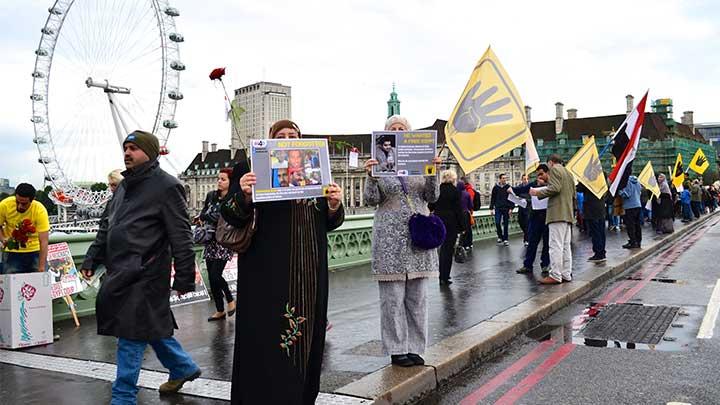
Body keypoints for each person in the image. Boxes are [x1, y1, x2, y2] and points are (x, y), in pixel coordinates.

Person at [80, 130, 201, 403]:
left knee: (131, 335)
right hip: (121, 270)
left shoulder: (167, 186)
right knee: (147, 327)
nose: (127, 153)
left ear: (150, 151)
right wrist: (92, 257)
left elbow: (181, 236)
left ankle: (123, 397)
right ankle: (183, 367)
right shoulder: (123, 186)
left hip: (147, 274)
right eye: (125, 148)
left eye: (134, 148)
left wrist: (184, 278)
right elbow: (106, 226)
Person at [231, 120, 345, 404]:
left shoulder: (316, 175)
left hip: (309, 270)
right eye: (279, 136)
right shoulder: (252, 170)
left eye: (292, 136)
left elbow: (327, 222)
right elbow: (232, 216)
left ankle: (302, 396)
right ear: (270, 141)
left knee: (307, 336)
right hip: (266, 271)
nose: (286, 139)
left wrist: (333, 205)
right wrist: (244, 195)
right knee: (266, 336)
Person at [364, 115, 441, 368]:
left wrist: (434, 172)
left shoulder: (419, 160)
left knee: (417, 298)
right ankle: (397, 349)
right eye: (392, 129)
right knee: (392, 298)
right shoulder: (380, 162)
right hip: (389, 238)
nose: (397, 132)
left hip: (418, 236)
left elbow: (432, 196)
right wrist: (371, 176)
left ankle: (415, 347)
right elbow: (371, 200)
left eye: (402, 129)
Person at [197, 168, 236, 322]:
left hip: (224, 240)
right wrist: (206, 215)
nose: (219, 181)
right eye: (218, 179)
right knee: (213, 279)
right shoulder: (211, 195)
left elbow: (220, 216)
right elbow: (206, 213)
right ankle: (220, 310)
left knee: (215, 274)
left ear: (230, 182)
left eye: (223, 179)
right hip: (210, 239)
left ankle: (230, 300)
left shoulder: (232, 199)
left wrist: (208, 215)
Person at [530, 154, 575, 284]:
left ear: (550, 162)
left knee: (555, 245)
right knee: (566, 246)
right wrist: (547, 182)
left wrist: (537, 192)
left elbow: (555, 189)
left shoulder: (555, 169)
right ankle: (566, 273)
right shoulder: (568, 172)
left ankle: (555, 274)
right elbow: (569, 192)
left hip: (557, 213)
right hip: (567, 213)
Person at [0, 183, 50, 274]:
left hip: (35, 251)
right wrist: (3, 239)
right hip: (12, 253)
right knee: (10, 286)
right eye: (17, 202)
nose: (19, 206)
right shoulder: (5, 205)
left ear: (32, 200)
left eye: (24, 204)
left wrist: (41, 267)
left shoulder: (39, 210)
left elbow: (44, 241)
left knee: (38, 285)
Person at [510, 164, 550, 274]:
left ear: (547, 173)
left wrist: (544, 185)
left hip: (547, 216)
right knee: (532, 241)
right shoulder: (533, 184)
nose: (539, 176)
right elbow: (521, 189)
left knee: (546, 243)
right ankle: (527, 265)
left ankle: (545, 264)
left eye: (541, 174)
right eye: (537, 174)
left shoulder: (551, 184)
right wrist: (511, 189)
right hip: (535, 216)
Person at [430, 170, 465, 285]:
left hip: (438, 221)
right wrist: (462, 226)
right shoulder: (455, 191)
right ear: (453, 179)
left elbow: (430, 205)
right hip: (451, 222)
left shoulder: (437, 190)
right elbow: (458, 210)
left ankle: (440, 274)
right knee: (448, 249)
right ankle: (445, 276)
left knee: (441, 249)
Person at [579, 183, 607, 262]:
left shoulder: (587, 176)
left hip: (591, 208)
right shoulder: (602, 175)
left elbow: (580, 188)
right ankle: (602, 252)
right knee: (601, 231)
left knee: (595, 232)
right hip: (600, 207)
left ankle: (598, 253)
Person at [490, 173, 514, 246]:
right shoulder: (495, 187)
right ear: (500, 179)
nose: (504, 179)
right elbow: (492, 198)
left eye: (505, 178)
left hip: (506, 208)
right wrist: (491, 208)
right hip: (498, 208)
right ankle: (500, 236)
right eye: (503, 178)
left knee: (506, 224)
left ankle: (506, 239)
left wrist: (511, 208)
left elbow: (512, 198)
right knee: (497, 222)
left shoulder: (508, 187)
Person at [619, 175, 642, 249]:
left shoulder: (627, 182)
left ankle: (633, 242)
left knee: (630, 225)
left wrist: (619, 191)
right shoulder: (637, 181)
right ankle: (638, 241)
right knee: (637, 225)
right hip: (638, 204)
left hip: (630, 206)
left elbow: (627, 194)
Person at [461, 178, 480, 251]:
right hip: (468, 211)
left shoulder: (468, 190)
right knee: (468, 228)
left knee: (466, 228)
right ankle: (469, 243)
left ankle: (467, 243)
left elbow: (470, 202)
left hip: (467, 212)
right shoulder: (468, 189)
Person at [456, 180, 474, 255]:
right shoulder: (466, 194)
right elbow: (471, 205)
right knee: (467, 228)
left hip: (458, 214)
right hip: (465, 213)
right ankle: (468, 244)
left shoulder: (456, 194)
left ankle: (462, 244)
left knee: (460, 229)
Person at [516, 174, 530, 245]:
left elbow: (532, 198)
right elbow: (515, 195)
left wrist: (526, 200)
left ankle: (526, 239)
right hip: (521, 208)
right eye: (524, 179)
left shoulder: (530, 187)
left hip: (528, 208)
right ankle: (526, 234)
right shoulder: (519, 187)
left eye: (527, 179)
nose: (526, 180)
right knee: (520, 222)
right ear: (522, 180)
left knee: (527, 224)